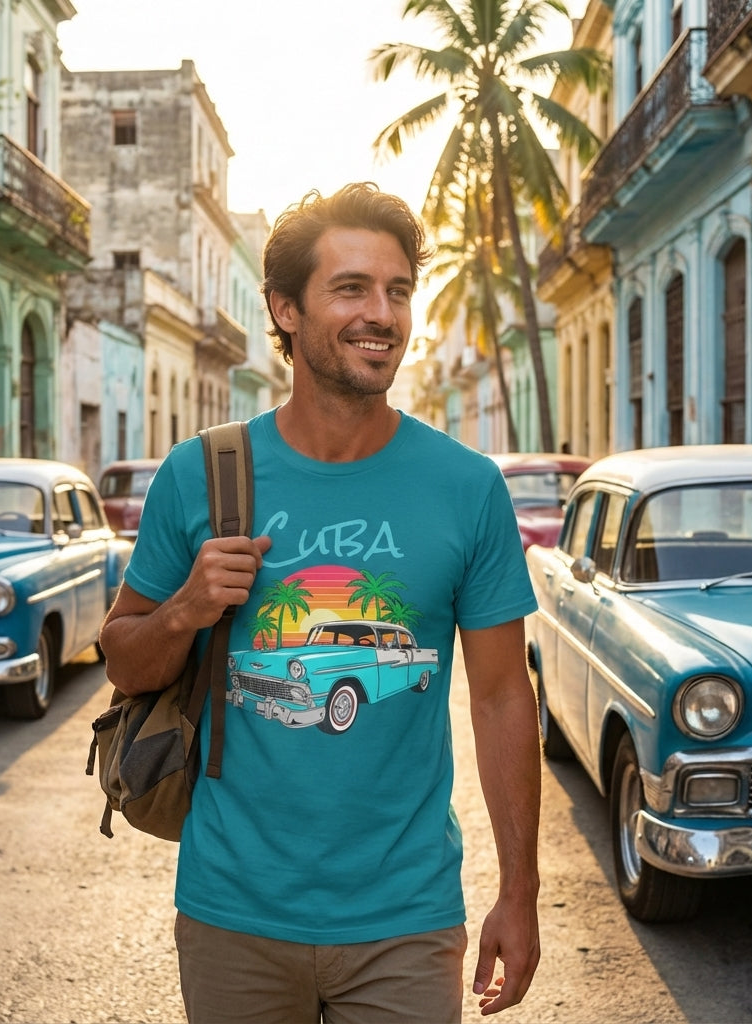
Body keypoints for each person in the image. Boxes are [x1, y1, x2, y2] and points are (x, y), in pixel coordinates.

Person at [99, 182, 542, 1022]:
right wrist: (187, 609)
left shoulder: (466, 487)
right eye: (351, 288)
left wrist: (519, 893)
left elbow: (499, 694)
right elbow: (123, 659)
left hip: (406, 918)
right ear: (285, 309)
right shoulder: (202, 473)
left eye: (399, 290)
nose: (382, 313)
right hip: (233, 910)